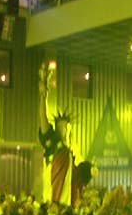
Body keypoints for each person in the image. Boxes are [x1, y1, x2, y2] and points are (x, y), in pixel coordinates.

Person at [38, 61, 93, 206]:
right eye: (62, 126)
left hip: (68, 205)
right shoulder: (52, 142)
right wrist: (43, 96)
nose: (65, 130)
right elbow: (43, 119)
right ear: (56, 128)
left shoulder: (70, 153)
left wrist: (89, 169)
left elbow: (78, 177)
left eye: (67, 127)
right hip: (53, 203)